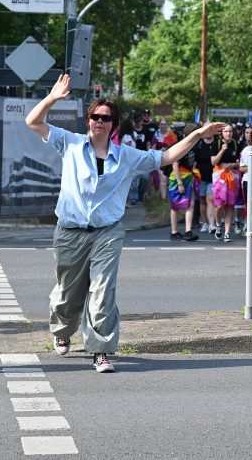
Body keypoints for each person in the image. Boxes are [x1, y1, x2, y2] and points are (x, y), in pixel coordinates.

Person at [26, 74, 222, 373]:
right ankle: (63, 330)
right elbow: (33, 122)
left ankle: (101, 350)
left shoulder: (126, 156)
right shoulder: (71, 143)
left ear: (113, 124)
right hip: (70, 231)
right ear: (88, 120)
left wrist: (196, 135)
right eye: (95, 117)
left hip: (107, 232)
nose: (99, 122)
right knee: (68, 292)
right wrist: (52, 98)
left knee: (103, 290)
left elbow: (166, 156)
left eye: (106, 118)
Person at [168, 128, 200, 242]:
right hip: (177, 179)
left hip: (189, 178)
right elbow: (175, 164)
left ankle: (188, 231)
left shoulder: (193, 146)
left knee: (190, 204)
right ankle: (174, 232)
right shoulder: (181, 146)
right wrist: (179, 183)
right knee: (175, 206)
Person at [211, 124, 241, 242]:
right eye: (226, 131)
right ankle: (219, 225)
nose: (228, 133)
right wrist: (222, 150)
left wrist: (233, 165)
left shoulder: (235, 144)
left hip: (233, 176)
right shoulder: (216, 144)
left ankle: (227, 232)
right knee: (219, 204)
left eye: (230, 131)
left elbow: (240, 162)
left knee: (230, 204)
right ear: (221, 133)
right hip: (219, 175)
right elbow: (214, 161)